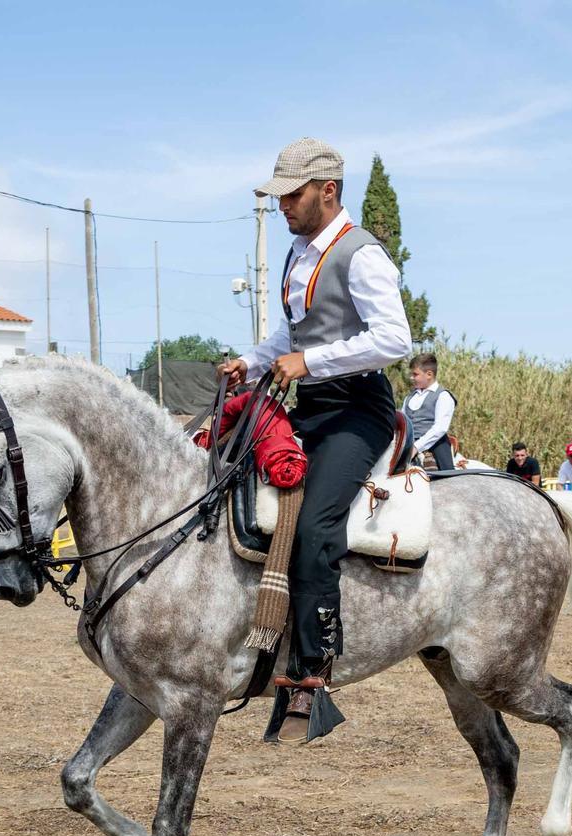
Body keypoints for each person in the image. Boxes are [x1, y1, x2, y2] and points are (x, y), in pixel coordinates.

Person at [215, 137, 412, 739]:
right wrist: (251, 362)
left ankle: (312, 674)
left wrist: (312, 362)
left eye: (291, 195)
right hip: (312, 402)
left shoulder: (362, 254)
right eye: (278, 197)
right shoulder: (300, 253)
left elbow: (395, 340)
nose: (282, 206)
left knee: (317, 525)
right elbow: (290, 333)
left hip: (358, 409)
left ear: (328, 191)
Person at [403, 352, 456, 470]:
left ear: (429, 374)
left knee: (447, 479)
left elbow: (440, 428)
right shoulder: (409, 397)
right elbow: (402, 423)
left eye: (415, 374)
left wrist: (416, 447)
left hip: (435, 445)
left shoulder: (443, 396)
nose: (412, 378)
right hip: (408, 444)